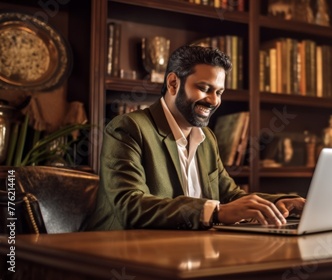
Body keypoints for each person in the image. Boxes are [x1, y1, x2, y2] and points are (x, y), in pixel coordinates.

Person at [86, 45, 305, 231]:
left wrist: (278, 202)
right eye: (204, 88)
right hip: (120, 253)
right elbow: (129, 206)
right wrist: (215, 212)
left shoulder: (206, 138)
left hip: (186, 252)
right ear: (173, 83)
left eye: (219, 92)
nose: (213, 101)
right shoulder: (128, 128)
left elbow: (229, 196)